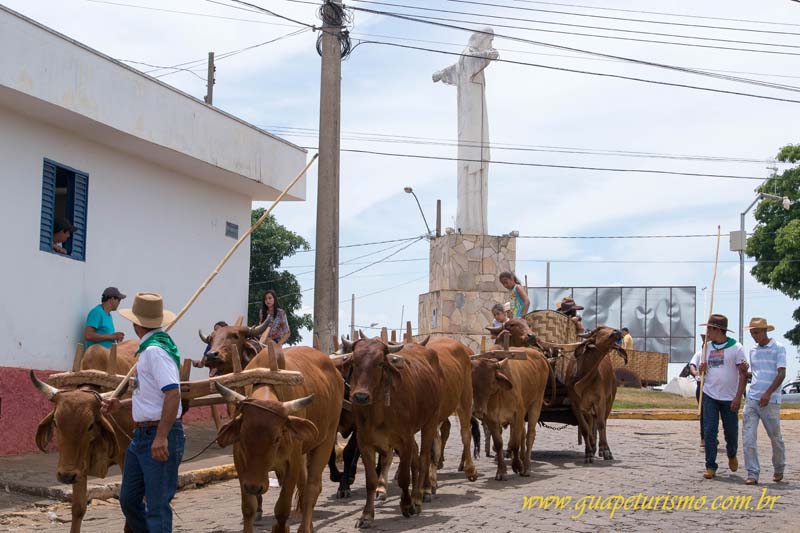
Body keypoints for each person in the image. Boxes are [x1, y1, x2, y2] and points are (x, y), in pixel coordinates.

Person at [101, 292, 184, 532]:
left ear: (136, 324)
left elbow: (172, 393)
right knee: (129, 500)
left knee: (157, 507)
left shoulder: (155, 352)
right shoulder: (146, 351)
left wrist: (161, 437)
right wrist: (120, 405)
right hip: (140, 438)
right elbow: (145, 397)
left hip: (158, 435)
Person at [690, 314, 747, 480]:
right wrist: (703, 369)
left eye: (709, 328)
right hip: (709, 394)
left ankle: (732, 454)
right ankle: (710, 465)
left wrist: (738, 397)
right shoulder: (707, 347)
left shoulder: (736, 348)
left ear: (719, 330)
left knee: (731, 432)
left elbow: (743, 375)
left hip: (729, 397)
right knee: (709, 431)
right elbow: (705, 370)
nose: (707, 332)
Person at [741, 317, 786, 485]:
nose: (754, 336)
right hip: (752, 399)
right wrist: (746, 373)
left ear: (765, 331)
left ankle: (779, 467)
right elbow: (757, 374)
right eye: (752, 333)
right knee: (748, 437)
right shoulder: (752, 351)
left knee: (775, 437)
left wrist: (768, 393)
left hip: (771, 400)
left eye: (757, 332)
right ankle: (752, 472)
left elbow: (781, 373)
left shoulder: (778, 348)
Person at [688, 334, 709, 447]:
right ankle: (704, 437)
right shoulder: (699, 354)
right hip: (701, 385)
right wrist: (696, 373)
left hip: (714, 386)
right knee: (704, 412)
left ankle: (711, 436)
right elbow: (692, 365)